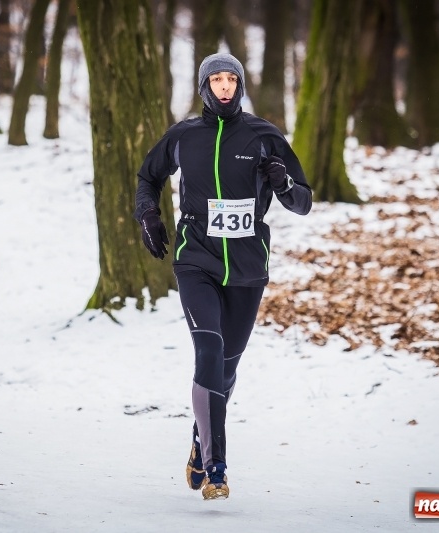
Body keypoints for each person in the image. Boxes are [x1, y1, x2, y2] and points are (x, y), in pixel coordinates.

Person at [134, 53, 312, 500]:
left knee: (226, 368)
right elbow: (147, 177)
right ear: (204, 87)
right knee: (209, 351)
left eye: (231, 78)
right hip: (196, 260)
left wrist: (284, 184)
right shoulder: (184, 136)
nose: (225, 86)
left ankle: (200, 440)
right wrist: (148, 215)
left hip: (247, 268)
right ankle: (217, 467)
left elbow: (303, 203)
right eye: (216, 79)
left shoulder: (264, 135)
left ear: (241, 85)